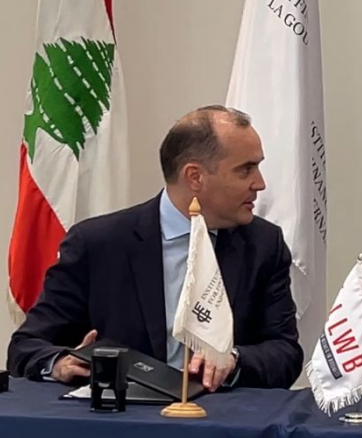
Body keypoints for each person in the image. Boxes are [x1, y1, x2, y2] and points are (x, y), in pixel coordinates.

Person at [7, 105, 303, 392]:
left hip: (223, 414)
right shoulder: (98, 244)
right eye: (246, 170)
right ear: (195, 176)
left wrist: (234, 360)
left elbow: (285, 353)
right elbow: (26, 347)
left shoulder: (264, 244)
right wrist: (59, 363)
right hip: (123, 416)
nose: (260, 184)